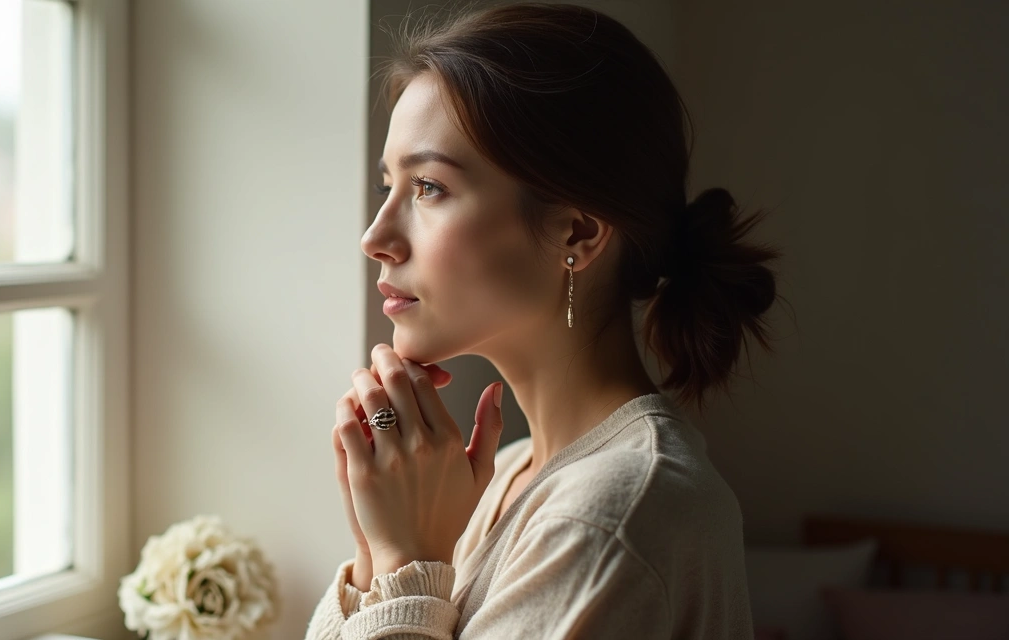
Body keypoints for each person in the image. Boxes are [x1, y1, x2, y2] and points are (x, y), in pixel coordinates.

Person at [307, 3, 781, 638]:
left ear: (577, 233)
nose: (375, 237)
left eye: (429, 188)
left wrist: (408, 563)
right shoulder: (508, 471)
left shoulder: (612, 513)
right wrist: (375, 553)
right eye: (385, 186)